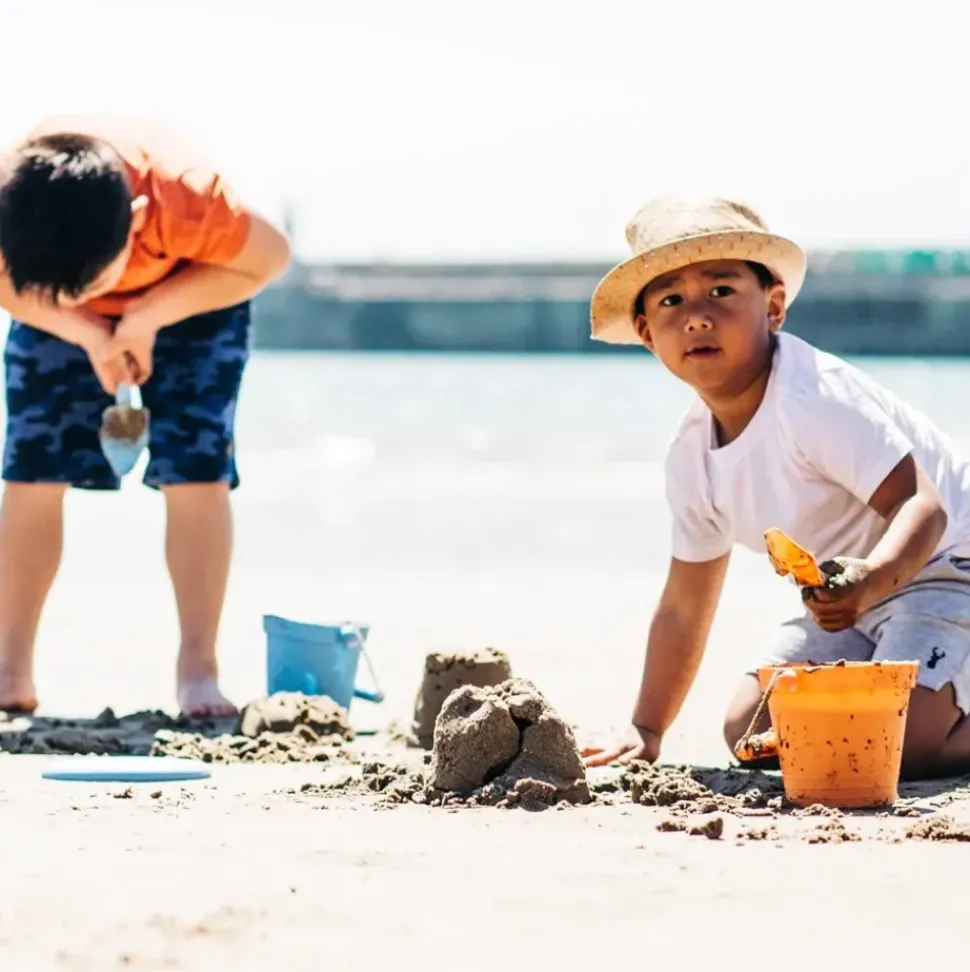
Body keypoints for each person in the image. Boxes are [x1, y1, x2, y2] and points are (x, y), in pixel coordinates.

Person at [580, 195, 970, 781]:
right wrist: (647, 729)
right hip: (847, 601)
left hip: (942, 572)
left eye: (721, 291)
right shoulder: (691, 458)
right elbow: (686, 605)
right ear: (646, 333)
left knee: (892, 743)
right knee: (753, 731)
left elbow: (924, 506)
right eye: (670, 301)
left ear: (774, 306)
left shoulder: (813, 399)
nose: (698, 316)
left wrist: (870, 580)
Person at [0, 115, 291, 717]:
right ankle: (8, 669)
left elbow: (270, 258)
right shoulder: (12, 205)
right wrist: (80, 327)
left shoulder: (188, 200)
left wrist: (144, 318)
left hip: (197, 294)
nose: (85, 297)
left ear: (135, 219)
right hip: (43, 309)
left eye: (91, 286)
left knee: (197, 473)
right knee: (30, 472)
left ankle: (198, 670)